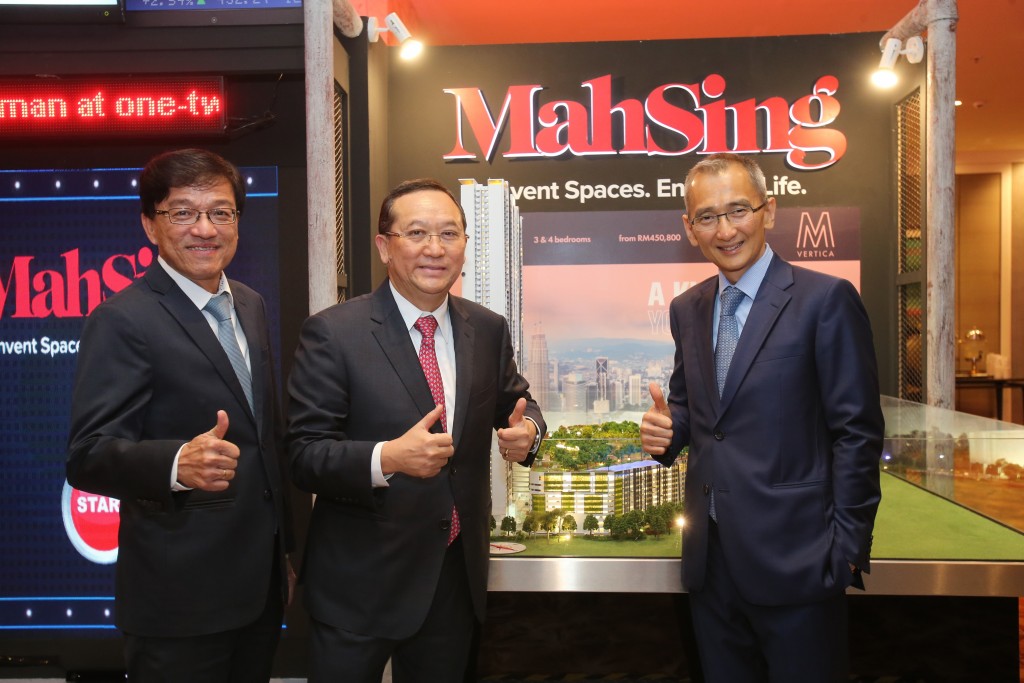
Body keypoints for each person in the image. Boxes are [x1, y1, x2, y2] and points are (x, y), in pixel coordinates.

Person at [287, 178, 545, 683]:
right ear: (385, 245)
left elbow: (518, 400)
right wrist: (387, 458)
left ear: (465, 246)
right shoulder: (334, 332)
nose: (435, 248)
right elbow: (303, 453)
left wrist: (529, 430)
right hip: (357, 586)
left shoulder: (486, 328)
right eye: (418, 233)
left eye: (449, 234)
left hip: (451, 580)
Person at [640, 152, 884, 682]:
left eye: (738, 210)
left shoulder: (826, 300)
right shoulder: (688, 308)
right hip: (711, 564)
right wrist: (667, 430)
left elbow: (857, 433)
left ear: (769, 211)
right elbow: (695, 411)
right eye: (707, 217)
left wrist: (846, 549)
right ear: (689, 228)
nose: (724, 230)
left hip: (801, 562)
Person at [66, 148, 295, 682]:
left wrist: (286, 551)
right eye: (183, 212)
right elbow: (87, 455)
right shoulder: (122, 320)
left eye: (221, 211)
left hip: (258, 591)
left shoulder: (250, 305)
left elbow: (267, 440)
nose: (205, 228)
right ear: (150, 224)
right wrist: (176, 463)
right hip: (179, 601)